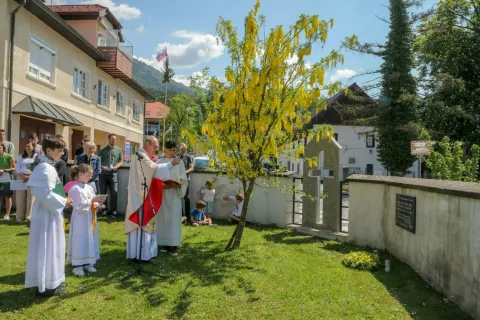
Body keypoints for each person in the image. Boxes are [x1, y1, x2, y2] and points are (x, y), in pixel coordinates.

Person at [25, 135, 73, 297]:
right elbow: (42, 194)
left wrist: (62, 200)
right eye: (59, 151)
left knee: (54, 246)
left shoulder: (47, 166)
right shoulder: (45, 168)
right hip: (47, 214)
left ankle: (52, 281)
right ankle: (46, 286)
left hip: (51, 212)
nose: (62, 154)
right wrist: (64, 201)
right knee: (48, 247)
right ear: (49, 150)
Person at [125, 136, 181, 261]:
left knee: (144, 224)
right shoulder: (141, 155)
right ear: (147, 144)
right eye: (155, 147)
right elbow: (153, 170)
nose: (156, 150)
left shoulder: (143, 155)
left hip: (143, 194)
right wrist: (171, 164)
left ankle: (142, 252)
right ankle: (141, 254)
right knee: (142, 223)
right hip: (140, 196)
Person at [67, 164, 105, 276]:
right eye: (88, 175)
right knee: (80, 239)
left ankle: (89, 262)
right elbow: (78, 205)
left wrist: (98, 203)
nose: (90, 178)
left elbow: (92, 202)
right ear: (80, 174)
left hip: (90, 217)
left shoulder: (89, 187)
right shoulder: (74, 188)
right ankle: (77, 265)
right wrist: (92, 201)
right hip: (80, 219)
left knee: (90, 238)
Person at [156, 141, 188, 257]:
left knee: (173, 219)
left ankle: (173, 245)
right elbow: (155, 178)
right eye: (170, 150)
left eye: (174, 150)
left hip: (174, 194)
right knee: (163, 218)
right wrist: (163, 185)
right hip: (163, 194)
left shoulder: (180, 162)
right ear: (165, 149)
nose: (172, 152)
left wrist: (179, 184)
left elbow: (183, 178)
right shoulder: (159, 162)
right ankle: (163, 243)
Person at [99, 134, 123, 217]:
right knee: (103, 193)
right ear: (108, 139)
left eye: (115, 139)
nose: (114, 141)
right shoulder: (103, 150)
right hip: (103, 175)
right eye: (112, 139)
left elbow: (121, 161)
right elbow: (98, 161)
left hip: (113, 174)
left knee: (114, 193)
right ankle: (104, 210)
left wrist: (115, 167)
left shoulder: (118, 150)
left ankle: (113, 211)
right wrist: (102, 166)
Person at [15, 142, 37, 221]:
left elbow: (38, 168)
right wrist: (22, 175)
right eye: (26, 146)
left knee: (31, 198)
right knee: (20, 197)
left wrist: (30, 176)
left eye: (29, 146)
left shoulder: (36, 157)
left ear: (33, 147)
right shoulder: (21, 156)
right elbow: (17, 168)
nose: (27, 147)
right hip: (21, 177)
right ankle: (19, 216)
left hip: (32, 178)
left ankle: (29, 216)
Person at [177, 143, 194, 221]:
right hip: (177, 180)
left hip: (186, 180)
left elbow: (192, 168)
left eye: (185, 148)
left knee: (187, 198)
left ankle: (188, 216)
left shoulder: (188, 157)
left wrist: (184, 172)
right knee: (179, 198)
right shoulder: (176, 157)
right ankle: (181, 216)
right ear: (179, 148)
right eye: (182, 148)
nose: (184, 149)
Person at [0, 143, 16, 220]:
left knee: (7, 196)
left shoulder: (9, 156)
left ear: (3, 149)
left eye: (0, 148)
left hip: (7, 177)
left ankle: (7, 214)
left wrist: (4, 170)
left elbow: (14, 168)